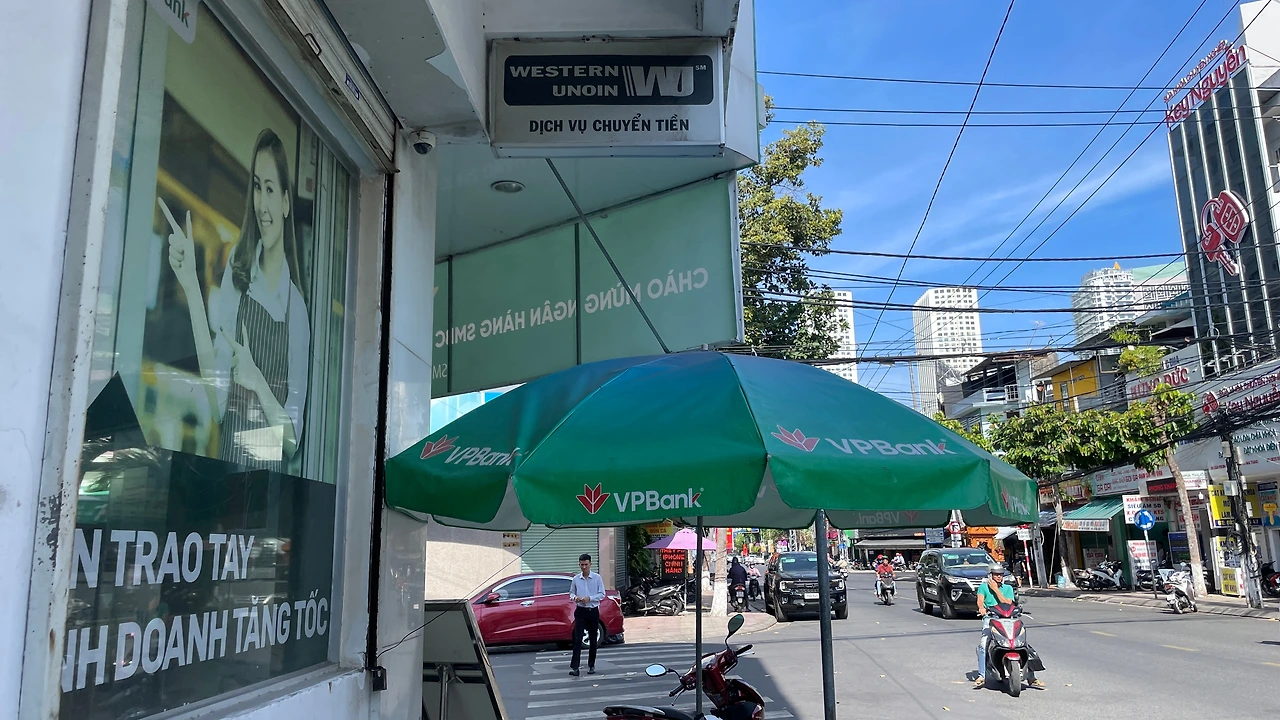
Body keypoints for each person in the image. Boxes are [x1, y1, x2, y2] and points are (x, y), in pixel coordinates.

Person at [164, 128, 310, 472]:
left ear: (286, 203)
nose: (262, 204)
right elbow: (217, 404)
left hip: (267, 486)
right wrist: (191, 285)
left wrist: (257, 382)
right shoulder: (238, 273)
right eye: (257, 187)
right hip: (227, 469)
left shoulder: (297, 311)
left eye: (270, 189)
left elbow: (292, 442)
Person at [974, 565, 1042, 689]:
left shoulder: (1008, 588)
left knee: (1022, 644)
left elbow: (1007, 603)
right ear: (990, 575)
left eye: (1000, 574)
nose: (998, 577)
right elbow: (980, 601)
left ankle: (1031, 677)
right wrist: (982, 608)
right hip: (991, 618)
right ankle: (982, 676)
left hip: (1008, 619)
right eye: (996, 574)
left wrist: (996, 590)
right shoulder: (983, 587)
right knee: (983, 645)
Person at [569, 553, 606, 676]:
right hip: (580, 611)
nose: (584, 567)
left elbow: (602, 594)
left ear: (590, 564)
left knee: (593, 639)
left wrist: (590, 598)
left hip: (592, 610)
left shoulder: (597, 578)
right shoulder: (576, 579)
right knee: (578, 639)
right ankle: (575, 667)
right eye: (581, 565)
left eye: (586, 564)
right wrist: (575, 598)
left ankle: (591, 665)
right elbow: (571, 593)